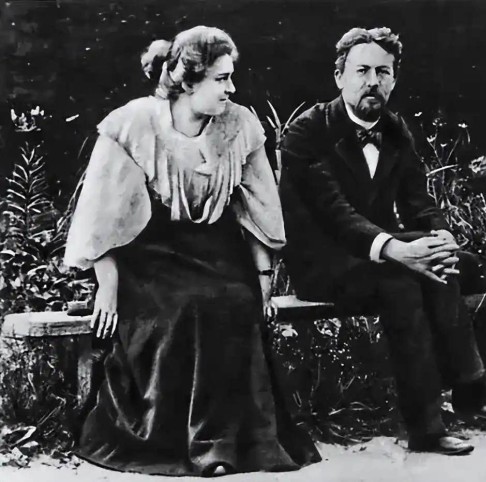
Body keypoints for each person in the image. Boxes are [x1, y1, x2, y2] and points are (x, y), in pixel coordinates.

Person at [64, 26, 320, 476]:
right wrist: (107, 285)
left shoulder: (239, 125)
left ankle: (229, 444)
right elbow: (100, 219)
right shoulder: (135, 124)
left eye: (231, 77)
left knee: (235, 301)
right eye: (221, 79)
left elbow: (259, 208)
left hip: (217, 249)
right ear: (187, 81)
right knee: (188, 307)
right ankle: (182, 441)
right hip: (147, 254)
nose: (231, 88)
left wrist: (263, 280)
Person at [279, 27, 486, 456]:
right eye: (362, 71)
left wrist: (441, 235)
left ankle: (467, 389)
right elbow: (334, 213)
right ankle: (437, 419)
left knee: (455, 261)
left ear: (394, 79)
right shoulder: (309, 130)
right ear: (339, 77)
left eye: (383, 72)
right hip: (323, 262)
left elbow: (418, 200)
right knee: (403, 283)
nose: (372, 81)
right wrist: (397, 249)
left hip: (376, 254)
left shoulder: (395, 129)